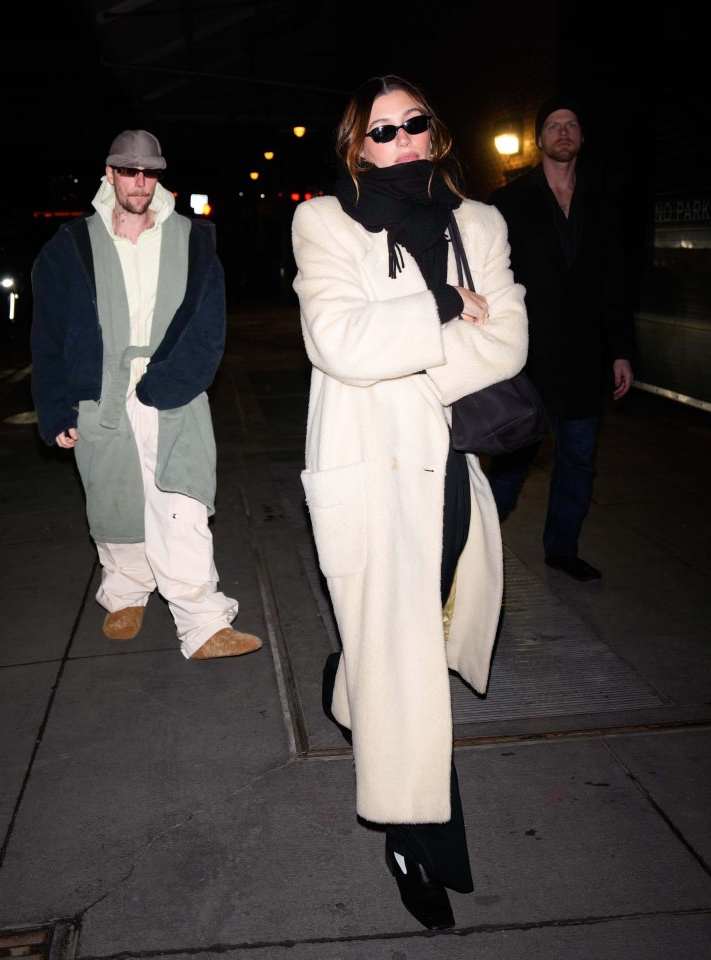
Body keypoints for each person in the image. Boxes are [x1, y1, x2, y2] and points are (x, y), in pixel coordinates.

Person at [290, 75, 528, 929]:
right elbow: (337, 341)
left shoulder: (483, 224)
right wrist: (438, 308)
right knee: (404, 668)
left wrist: (406, 357)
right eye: (378, 131)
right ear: (355, 147)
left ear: (436, 134)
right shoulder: (321, 220)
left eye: (412, 124)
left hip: (447, 473)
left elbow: (506, 343)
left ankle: (347, 687)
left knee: (405, 641)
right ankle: (413, 843)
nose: (397, 140)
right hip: (365, 471)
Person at [30, 129, 263, 661]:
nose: (139, 181)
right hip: (99, 394)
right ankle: (126, 593)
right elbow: (47, 333)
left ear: (159, 176)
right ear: (109, 173)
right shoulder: (70, 247)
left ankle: (203, 623)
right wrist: (55, 407)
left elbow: (210, 324)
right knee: (113, 499)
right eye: (128, 170)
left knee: (182, 501)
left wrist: (172, 381)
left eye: (149, 171)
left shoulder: (193, 238)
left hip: (173, 389)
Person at [487, 96, 636, 582]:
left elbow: (615, 282)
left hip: (585, 357)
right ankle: (477, 542)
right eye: (554, 126)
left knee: (578, 461)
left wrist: (620, 352)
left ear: (582, 138)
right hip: (527, 357)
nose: (564, 132)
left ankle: (562, 548)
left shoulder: (602, 202)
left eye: (572, 124)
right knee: (512, 462)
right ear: (540, 139)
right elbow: (492, 277)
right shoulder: (509, 201)